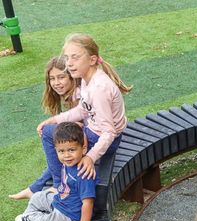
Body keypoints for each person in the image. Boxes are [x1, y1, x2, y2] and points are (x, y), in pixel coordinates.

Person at [35, 32, 131, 191]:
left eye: (75, 57)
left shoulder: (99, 88)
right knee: (53, 129)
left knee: (47, 133)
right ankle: (53, 183)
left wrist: (90, 158)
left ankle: (60, 186)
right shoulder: (88, 80)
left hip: (103, 138)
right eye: (67, 58)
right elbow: (82, 109)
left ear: (92, 60)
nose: (69, 64)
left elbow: (109, 132)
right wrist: (55, 119)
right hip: (94, 132)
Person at [3, 122, 97, 221]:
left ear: (83, 148)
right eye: (61, 151)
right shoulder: (68, 163)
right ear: (56, 151)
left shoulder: (84, 173)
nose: (67, 155)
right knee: (37, 197)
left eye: (71, 150)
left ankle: (28, 220)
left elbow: (88, 203)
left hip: (71, 216)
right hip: (60, 201)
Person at [9, 56, 81, 200]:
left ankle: (58, 185)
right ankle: (34, 188)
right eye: (52, 79)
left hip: (93, 140)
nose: (56, 83)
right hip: (83, 140)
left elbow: (82, 125)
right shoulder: (71, 95)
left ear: (72, 76)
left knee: (48, 132)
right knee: (57, 154)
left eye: (61, 77)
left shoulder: (78, 94)